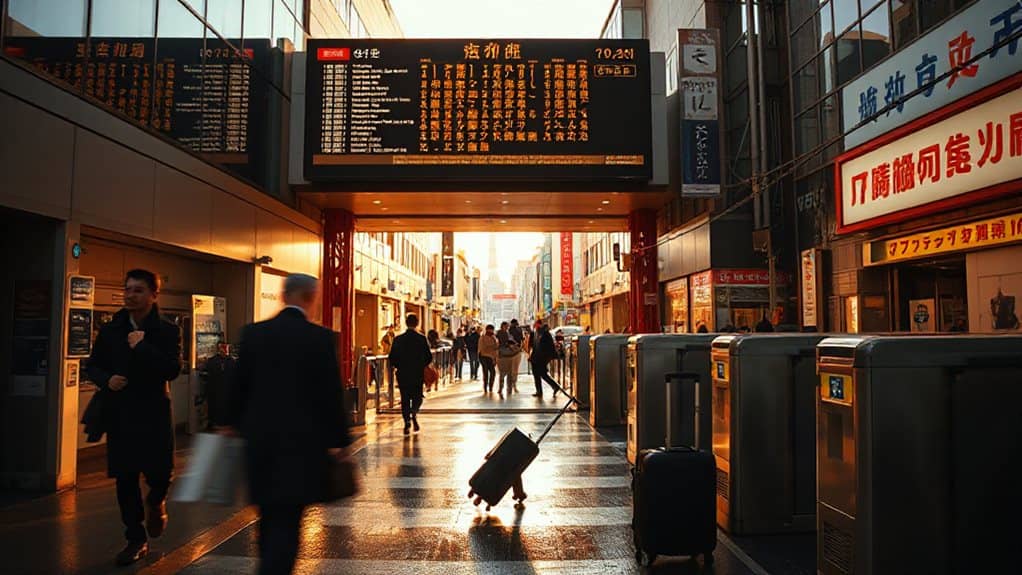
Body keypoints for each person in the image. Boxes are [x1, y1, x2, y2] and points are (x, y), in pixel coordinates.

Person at [225, 273, 351, 575]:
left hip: (259, 444)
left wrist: (230, 423)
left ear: (284, 296)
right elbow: (331, 395)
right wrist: (340, 441)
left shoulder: (253, 334)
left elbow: (237, 386)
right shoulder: (319, 338)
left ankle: (269, 563)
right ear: (310, 297)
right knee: (288, 520)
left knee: (268, 514)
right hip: (302, 447)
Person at [86, 269, 182, 566]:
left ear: (154, 295)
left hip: (154, 412)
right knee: (125, 479)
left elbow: (172, 369)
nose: (130, 295)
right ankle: (135, 538)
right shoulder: (111, 329)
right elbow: (92, 365)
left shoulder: (166, 331)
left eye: (138, 290)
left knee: (160, 474)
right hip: (121, 414)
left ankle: (156, 501)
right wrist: (106, 379)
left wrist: (142, 347)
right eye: (127, 289)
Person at [389, 314, 433, 435]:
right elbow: (429, 357)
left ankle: (406, 421)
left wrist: (399, 366)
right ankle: (414, 412)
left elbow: (392, 357)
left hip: (403, 373)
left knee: (405, 398)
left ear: (406, 323)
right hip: (417, 373)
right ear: (417, 323)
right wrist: (421, 364)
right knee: (417, 396)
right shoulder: (422, 339)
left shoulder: (398, 339)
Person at [203, 341, 235, 429]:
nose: (224, 350)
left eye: (225, 347)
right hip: (216, 390)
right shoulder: (213, 361)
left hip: (224, 389)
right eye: (222, 347)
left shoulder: (231, 360)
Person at [530, 323, 561, 398]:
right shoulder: (536, 334)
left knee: (542, 374)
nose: (536, 327)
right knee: (538, 374)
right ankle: (540, 391)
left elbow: (549, 347)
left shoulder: (545, 334)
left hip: (541, 358)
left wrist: (548, 357)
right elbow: (534, 346)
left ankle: (554, 386)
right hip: (536, 358)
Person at [478, 324, 498, 393]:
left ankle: (490, 387)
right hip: (484, 357)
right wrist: (492, 346)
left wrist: (495, 358)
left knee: (492, 372)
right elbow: (481, 348)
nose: (492, 331)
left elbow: (496, 348)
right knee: (486, 372)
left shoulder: (494, 338)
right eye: (491, 329)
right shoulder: (482, 338)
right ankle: (486, 387)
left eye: (492, 330)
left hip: (491, 357)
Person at [508, 319, 524, 387]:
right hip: (517, 349)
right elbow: (522, 339)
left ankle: (511, 382)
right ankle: (514, 382)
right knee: (515, 367)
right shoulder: (519, 329)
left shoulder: (509, 330)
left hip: (510, 350)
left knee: (510, 368)